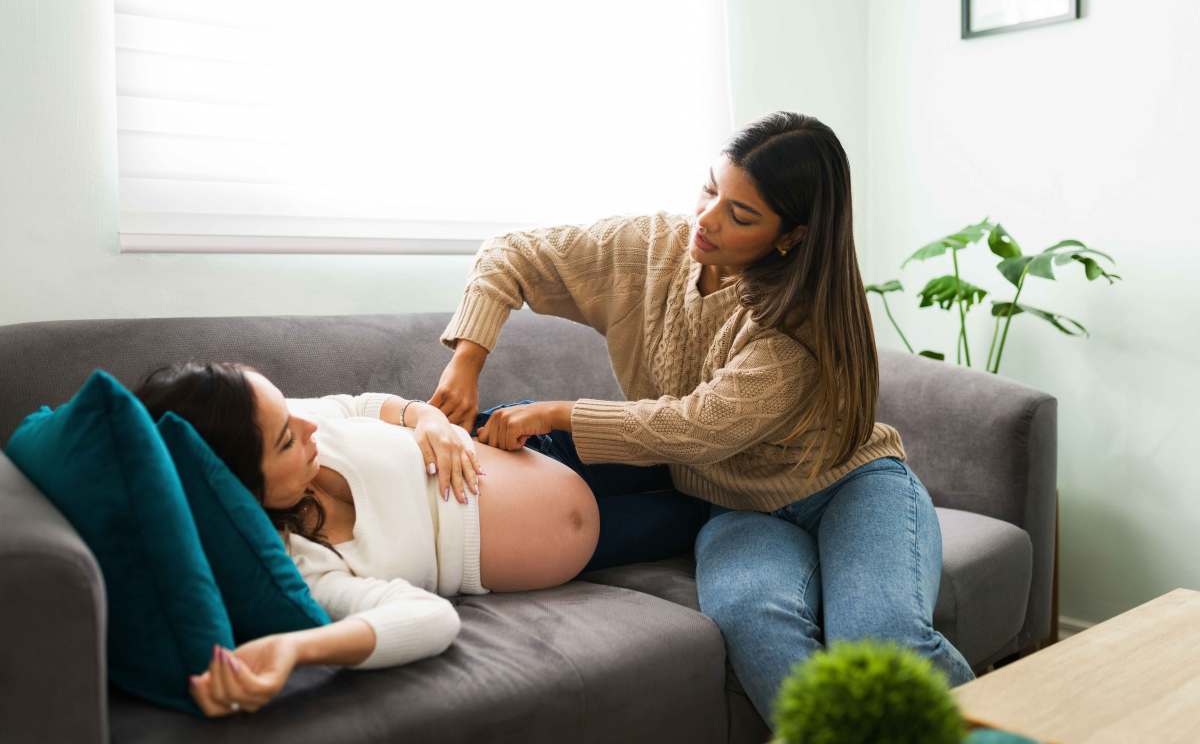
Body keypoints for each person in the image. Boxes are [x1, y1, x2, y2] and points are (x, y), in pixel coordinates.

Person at [429, 111, 976, 725]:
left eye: (741, 215)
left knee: (883, 644)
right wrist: (468, 360)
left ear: (791, 235)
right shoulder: (651, 248)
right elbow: (514, 251)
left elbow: (696, 427)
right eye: (711, 189)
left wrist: (558, 413)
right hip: (738, 507)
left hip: (852, 488)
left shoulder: (795, 325)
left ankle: (1020, 724)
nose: (707, 220)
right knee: (756, 623)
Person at [135, 361, 600, 718]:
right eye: (285, 440)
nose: (308, 427)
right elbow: (429, 618)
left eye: (290, 412)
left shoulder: (282, 421)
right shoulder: (304, 566)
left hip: (521, 437)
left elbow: (357, 403)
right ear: (247, 489)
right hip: (592, 547)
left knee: (669, 437)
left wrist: (427, 418)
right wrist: (298, 648)